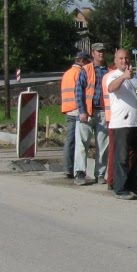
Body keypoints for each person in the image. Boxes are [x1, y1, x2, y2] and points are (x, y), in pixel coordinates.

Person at [104, 49, 137, 200]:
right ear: (115, 61)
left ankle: (134, 186)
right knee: (121, 157)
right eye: (120, 58)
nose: (124, 61)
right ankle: (120, 189)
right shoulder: (112, 76)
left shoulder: (136, 78)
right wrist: (123, 76)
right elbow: (111, 88)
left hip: (136, 122)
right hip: (120, 123)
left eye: (126, 58)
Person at [74, 42, 110, 186]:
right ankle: (80, 172)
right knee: (82, 144)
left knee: (103, 145)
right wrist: (82, 111)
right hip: (88, 112)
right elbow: (78, 91)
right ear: (93, 53)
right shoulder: (86, 70)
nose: (101, 53)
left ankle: (100, 174)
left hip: (103, 112)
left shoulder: (109, 71)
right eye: (98, 51)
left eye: (103, 51)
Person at [60, 51, 89, 179]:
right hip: (77, 110)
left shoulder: (67, 73)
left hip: (68, 109)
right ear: (82, 61)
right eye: (87, 61)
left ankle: (68, 168)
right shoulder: (79, 73)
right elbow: (80, 92)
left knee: (70, 140)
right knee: (77, 142)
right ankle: (72, 169)